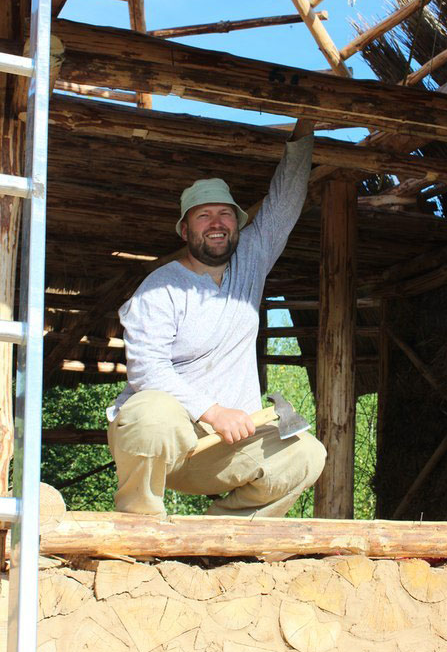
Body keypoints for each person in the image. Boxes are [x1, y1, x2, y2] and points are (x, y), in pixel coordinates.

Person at [106, 120, 327, 519]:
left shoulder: (251, 263)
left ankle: (223, 537)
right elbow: (146, 371)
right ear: (186, 228)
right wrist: (213, 411)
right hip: (162, 444)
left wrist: (303, 134)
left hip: (225, 449)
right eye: (204, 215)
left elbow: (284, 203)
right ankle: (139, 526)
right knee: (151, 410)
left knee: (307, 455)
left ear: (237, 225)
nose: (216, 223)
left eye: (225, 214)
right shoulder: (161, 288)